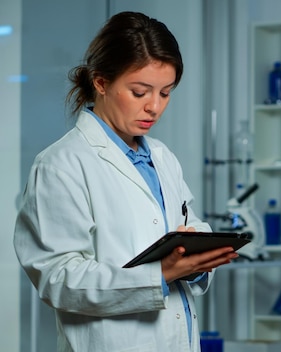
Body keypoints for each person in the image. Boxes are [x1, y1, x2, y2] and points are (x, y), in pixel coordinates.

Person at [13, 11, 238, 352]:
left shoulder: (161, 157)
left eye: (165, 93)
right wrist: (159, 274)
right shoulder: (62, 164)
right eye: (139, 92)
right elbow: (58, 278)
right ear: (101, 83)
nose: (154, 107)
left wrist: (197, 258)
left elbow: (187, 224)